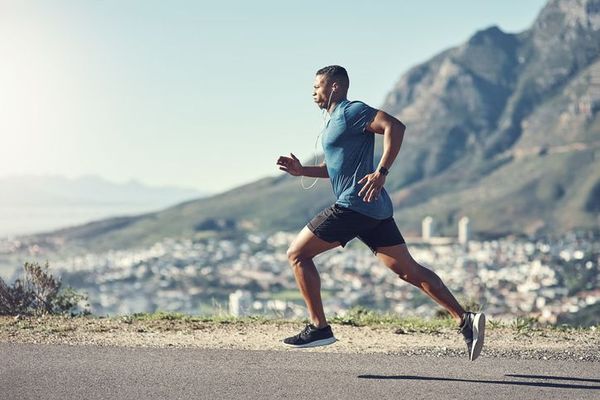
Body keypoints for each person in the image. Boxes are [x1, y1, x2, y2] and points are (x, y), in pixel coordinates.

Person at [276, 65, 485, 361]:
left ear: (334, 86)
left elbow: (395, 126)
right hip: (373, 208)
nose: (313, 93)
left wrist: (381, 171)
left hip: (354, 204)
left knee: (297, 254)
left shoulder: (352, 111)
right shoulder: (336, 121)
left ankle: (318, 327)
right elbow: (333, 169)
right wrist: (302, 170)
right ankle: (466, 320)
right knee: (407, 270)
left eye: (317, 86)